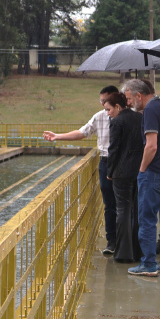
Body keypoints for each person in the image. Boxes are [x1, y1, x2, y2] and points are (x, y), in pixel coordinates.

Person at [44, 85, 119, 254]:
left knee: (126, 203)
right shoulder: (100, 117)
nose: (102, 105)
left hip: (124, 161)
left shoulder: (129, 116)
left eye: (105, 101)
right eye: (101, 101)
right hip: (106, 161)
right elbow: (82, 132)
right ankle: (112, 241)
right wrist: (58, 136)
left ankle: (127, 240)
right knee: (109, 203)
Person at [122, 79, 160, 277]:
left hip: (155, 172)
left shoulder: (150, 111)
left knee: (147, 219)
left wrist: (142, 169)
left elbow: (151, 145)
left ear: (139, 95)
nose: (129, 103)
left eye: (130, 99)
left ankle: (148, 263)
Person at [103, 92, 143, 263]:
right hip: (139, 170)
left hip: (121, 172)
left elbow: (113, 149)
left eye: (109, 109)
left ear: (118, 107)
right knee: (135, 209)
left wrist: (110, 172)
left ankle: (123, 253)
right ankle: (137, 250)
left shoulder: (117, 122)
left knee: (123, 210)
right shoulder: (140, 118)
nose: (108, 113)